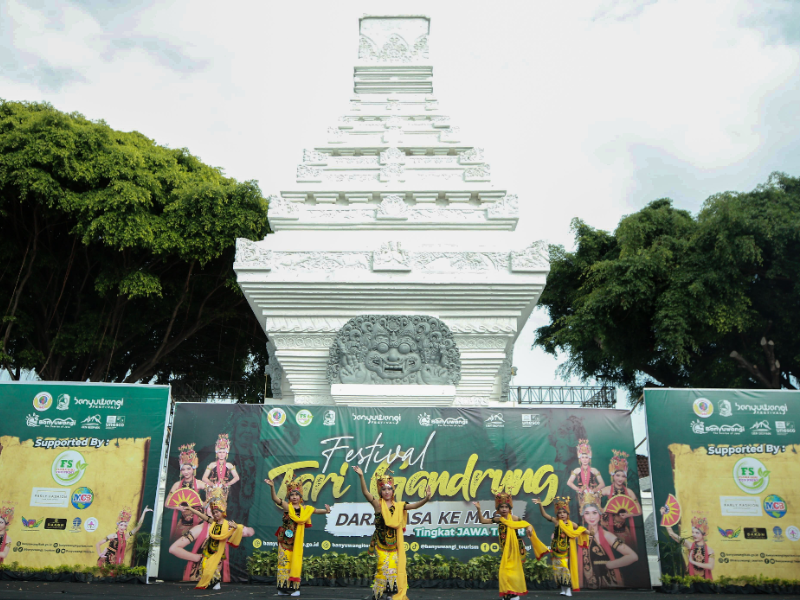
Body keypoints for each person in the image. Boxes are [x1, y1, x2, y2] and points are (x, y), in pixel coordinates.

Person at [353, 466, 432, 600]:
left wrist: (426, 498)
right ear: (380, 491)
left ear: (393, 490)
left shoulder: (399, 506)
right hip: (381, 543)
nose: (387, 491)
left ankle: (390, 595)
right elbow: (366, 493)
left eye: (389, 488)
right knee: (382, 568)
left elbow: (414, 506)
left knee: (392, 569)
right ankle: (377, 594)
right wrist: (361, 476)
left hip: (394, 545)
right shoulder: (378, 505)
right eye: (384, 489)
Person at [168, 487, 254, 590]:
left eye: (217, 509)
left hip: (219, 568)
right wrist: (197, 557)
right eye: (211, 508)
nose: (214, 511)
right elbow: (173, 548)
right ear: (206, 510)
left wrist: (239, 528)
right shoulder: (199, 529)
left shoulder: (227, 526)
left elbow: (250, 532)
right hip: (201, 570)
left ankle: (215, 582)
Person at [472, 491, 549, 600]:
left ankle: (515, 594)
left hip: (516, 548)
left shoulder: (514, 518)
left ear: (509, 508)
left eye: (506, 507)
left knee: (515, 572)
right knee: (505, 572)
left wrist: (529, 529)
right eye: (502, 507)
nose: (504, 509)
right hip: (505, 549)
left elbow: (527, 524)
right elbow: (483, 521)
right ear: (498, 508)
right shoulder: (499, 519)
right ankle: (507, 592)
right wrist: (479, 509)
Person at [264, 477, 331, 596]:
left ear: (301, 497)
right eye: (292, 494)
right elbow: (275, 498)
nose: (294, 497)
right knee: (283, 563)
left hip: (296, 541)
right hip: (284, 540)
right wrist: (272, 487)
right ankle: (282, 589)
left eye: (297, 494)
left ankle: (295, 589)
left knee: (294, 563)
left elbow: (315, 511)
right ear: (288, 497)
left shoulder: (305, 509)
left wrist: (326, 511)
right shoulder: (287, 507)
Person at [578, 490, 638, 589]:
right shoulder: (579, 534)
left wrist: (611, 564)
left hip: (606, 581)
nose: (591, 517)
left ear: (600, 515)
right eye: (587, 513)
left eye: (594, 513)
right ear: (583, 516)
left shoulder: (607, 535)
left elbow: (633, 556)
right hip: (585, 580)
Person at [533, 495, 588, 596]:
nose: (562, 514)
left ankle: (568, 590)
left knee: (564, 569)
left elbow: (581, 529)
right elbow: (544, 515)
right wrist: (540, 504)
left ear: (567, 513)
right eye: (560, 513)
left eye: (564, 512)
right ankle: (563, 589)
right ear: (557, 514)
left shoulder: (571, 524)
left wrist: (589, 532)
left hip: (564, 551)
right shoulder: (556, 522)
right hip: (555, 551)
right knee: (557, 570)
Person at [167, 443, 207, 541]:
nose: (186, 472)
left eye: (188, 469)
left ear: (193, 469)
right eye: (183, 469)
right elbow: (167, 503)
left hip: (199, 521)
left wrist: (203, 503)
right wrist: (178, 508)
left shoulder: (199, 483)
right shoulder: (177, 485)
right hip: (184, 522)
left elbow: (213, 494)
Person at [599, 450, 640, 548]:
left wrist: (628, 514)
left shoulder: (629, 492)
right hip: (607, 528)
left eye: (623, 476)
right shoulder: (607, 490)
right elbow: (593, 501)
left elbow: (639, 511)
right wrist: (602, 510)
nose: (620, 479)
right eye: (617, 475)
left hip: (622, 530)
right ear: (613, 476)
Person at [661, 513, 714, 580]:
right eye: (693, 532)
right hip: (691, 580)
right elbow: (672, 534)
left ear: (703, 535)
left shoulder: (709, 550)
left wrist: (692, 561)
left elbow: (710, 566)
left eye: (697, 533)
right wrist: (665, 516)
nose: (694, 535)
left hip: (705, 581)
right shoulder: (690, 545)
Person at [566, 440, 604, 516]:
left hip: (593, 496)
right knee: (582, 514)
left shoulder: (594, 470)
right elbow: (569, 482)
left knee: (594, 513)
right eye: (582, 457)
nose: (584, 459)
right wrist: (579, 489)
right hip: (581, 496)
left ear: (589, 458)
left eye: (586, 457)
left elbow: (602, 484)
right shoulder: (577, 470)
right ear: (580, 459)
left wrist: (593, 490)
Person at [202, 433, 239, 499]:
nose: (221, 454)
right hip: (212, 490)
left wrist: (227, 484)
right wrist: (213, 485)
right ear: (217, 453)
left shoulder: (229, 465)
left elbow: (237, 477)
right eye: (220, 452)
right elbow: (204, 478)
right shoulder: (212, 464)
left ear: (226, 453)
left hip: (223, 491)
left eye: (223, 452)